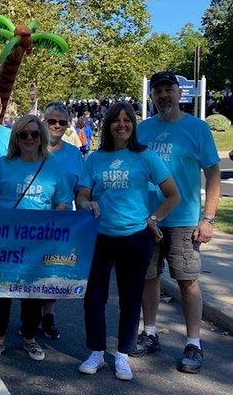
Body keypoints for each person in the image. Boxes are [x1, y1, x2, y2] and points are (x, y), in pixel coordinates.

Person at [76, 102, 179, 381]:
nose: (122, 124)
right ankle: (96, 351)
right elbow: (82, 194)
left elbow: (173, 195)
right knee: (94, 298)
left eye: (127, 120)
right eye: (116, 120)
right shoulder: (96, 158)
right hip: (100, 237)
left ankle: (122, 354)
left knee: (131, 298)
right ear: (108, 125)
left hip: (135, 238)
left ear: (133, 125)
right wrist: (87, 202)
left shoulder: (146, 156)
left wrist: (153, 219)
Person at [132, 72, 221, 374]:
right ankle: (151, 333)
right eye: (158, 91)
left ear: (179, 93)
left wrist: (208, 219)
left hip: (184, 220)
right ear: (152, 97)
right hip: (149, 220)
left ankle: (193, 343)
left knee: (188, 282)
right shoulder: (143, 130)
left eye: (169, 89)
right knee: (149, 278)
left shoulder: (197, 128)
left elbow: (213, 174)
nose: (163, 96)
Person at [0, 115, 73, 361]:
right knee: (0, 293)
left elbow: (62, 203)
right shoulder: (2, 165)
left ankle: (29, 338)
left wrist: (50, 228)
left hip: (37, 245)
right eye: (24, 134)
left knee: (33, 295)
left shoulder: (53, 166)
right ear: (16, 139)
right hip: (4, 242)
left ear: (41, 137)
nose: (29, 139)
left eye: (34, 134)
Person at [41, 102, 85, 339]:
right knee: (30, 270)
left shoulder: (74, 154)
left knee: (53, 271)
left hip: (62, 223)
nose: (56, 126)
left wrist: (86, 206)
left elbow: (82, 190)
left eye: (61, 122)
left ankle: (48, 315)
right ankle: (28, 319)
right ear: (44, 122)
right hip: (32, 222)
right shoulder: (31, 147)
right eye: (52, 121)